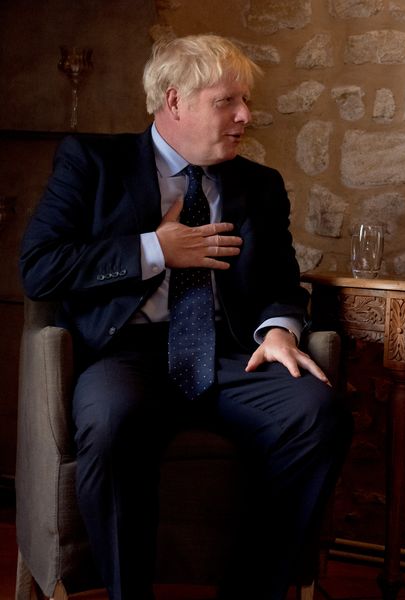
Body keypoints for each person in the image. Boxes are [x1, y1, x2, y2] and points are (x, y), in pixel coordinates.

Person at [19, 34, 352, 600]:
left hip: (231, 354)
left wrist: (279, 330)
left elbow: (280, 281)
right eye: (228, 102)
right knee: (111, 419)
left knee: (317, 411)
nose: (245, 116)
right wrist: (155, 249)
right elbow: (40, 268)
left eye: (245, 101)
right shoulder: (93, 162)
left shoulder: (260, 185)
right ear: (175, 101)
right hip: (126, 353)